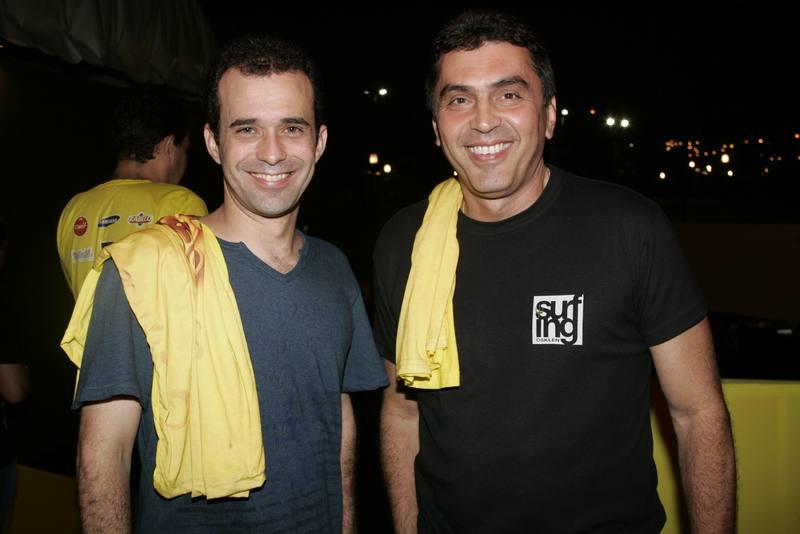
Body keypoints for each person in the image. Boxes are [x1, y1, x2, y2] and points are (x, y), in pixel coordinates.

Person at [374, 9, 736, 534]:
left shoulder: (630, 229)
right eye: (459, 100)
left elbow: (698, 412)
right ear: (436, 128)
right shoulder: (402, 242)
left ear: (548, 115)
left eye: (509, 94)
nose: (483, 120)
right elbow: (402, 414)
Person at [61, 35, 387, 533]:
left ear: (319, 141)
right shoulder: (141, 271)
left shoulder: (334, 268)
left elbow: (338, 419)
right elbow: (104, 453)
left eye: (291, 128)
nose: (272, 153)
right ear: (214, 142)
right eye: (247, 129)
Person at [56, 89, 208, 298]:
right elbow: (198, 296)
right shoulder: (181, 203)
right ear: (168, 146)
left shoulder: (73, 209)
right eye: (185, 149)